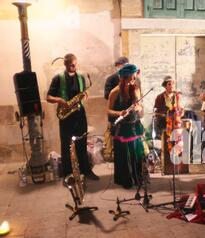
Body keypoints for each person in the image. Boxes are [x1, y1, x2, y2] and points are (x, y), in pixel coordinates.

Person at [46, 53, 99, 181]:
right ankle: (68, 174)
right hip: (65, 115)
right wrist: (59, 100)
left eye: (74, 64)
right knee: (66, 145)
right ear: (65, 64)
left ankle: (86, 171)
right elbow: (48, 97)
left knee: (82, 143)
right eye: (70, 64)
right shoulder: (57, 78)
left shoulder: (81, 77)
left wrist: (84, 95)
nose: (73, 66)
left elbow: (82, 93)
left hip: (79, 114)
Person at [107, 64, 145, 189]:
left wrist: (138, 107)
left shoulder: (136, 89)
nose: (133, 81)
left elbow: (140, 106)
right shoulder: (114, 92)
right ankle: (126, 180)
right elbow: (108, 111)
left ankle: (138, 177)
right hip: (122, 128)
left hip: (134, 126)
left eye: (134, 78)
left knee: (136, 154)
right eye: (131, 78)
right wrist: (119, 113)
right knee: (124, 155)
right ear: (123, 78)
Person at [103, 57, 129, 162]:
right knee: (115, 138)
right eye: (120, 66)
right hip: (115, 114)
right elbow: (106, 95)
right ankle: (110, 155)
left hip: (128, 116)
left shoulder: (133, 78)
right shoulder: (111, 79)